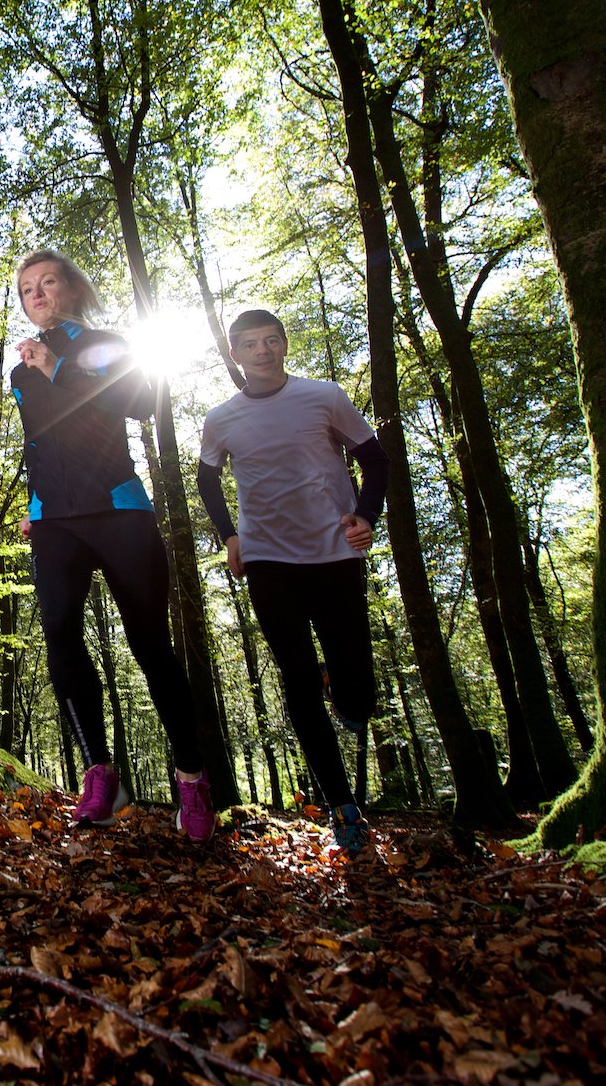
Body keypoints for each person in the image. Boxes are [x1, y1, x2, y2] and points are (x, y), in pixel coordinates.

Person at [9, 249, 215, 841]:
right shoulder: (22, 371)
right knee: (60, 643)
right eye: (28, 288)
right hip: (55, 523)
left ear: (72, 290)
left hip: (119, 510)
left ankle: (192, 782)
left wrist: (61, 369)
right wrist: (35, 509)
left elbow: (142, 406)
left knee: (152, 644)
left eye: (49, 282)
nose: (39, 293)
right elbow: (43, 444)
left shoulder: (105, 343)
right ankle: (101, 774)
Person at [196, 309, 390, 855]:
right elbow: (207, 478)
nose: (263, 350)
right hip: (267, 561)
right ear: (236, 355)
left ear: (284, 345)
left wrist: (366, 514)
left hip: (333, 551)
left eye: (271, 340)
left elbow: (374, 459)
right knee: (298, 679)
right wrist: (230, 537)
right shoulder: (222, 418)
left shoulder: (323, 397)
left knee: (358, 692)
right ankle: (342, 807)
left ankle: (346, 690)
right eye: (251, 344)